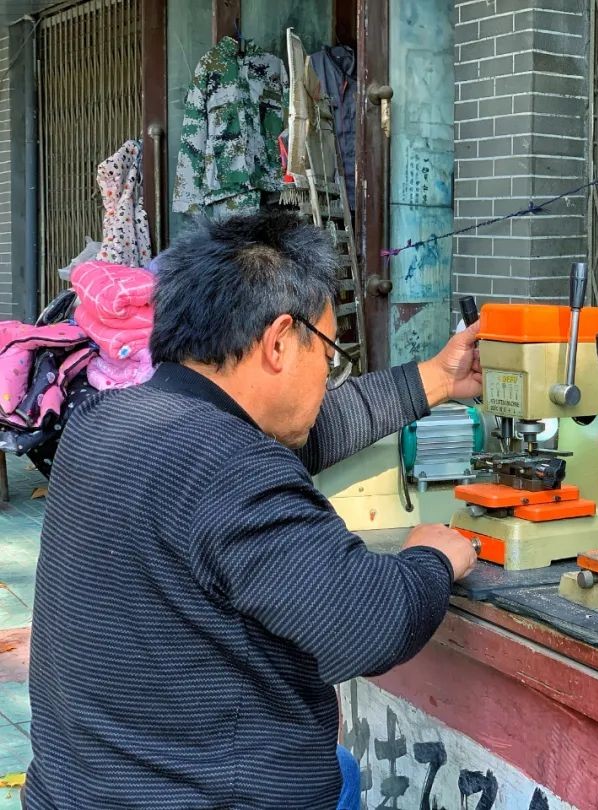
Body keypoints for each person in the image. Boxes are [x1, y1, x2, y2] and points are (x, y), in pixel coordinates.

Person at [24, 210, 480, 809]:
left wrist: (436, 380)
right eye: (328, 357)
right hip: (193, 795)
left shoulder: (107, 422)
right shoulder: (229, 464)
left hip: (78, 789)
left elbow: (308, 430)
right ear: (279, 341)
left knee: (341, 770)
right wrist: (432, 557)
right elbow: (369, 625)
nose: (327, 379)